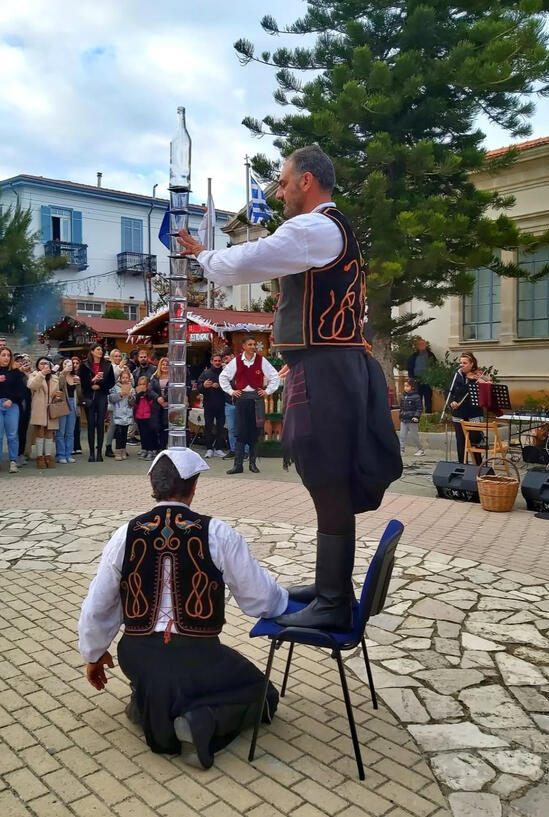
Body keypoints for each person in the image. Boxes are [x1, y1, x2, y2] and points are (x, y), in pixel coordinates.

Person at [177, 144, 402, 631]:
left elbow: (251, 260)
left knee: (326, 474)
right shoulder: (330, 230)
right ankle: (329, 590)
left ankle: (334, 601)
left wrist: (205, 257)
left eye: (283, 181)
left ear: (307, 181)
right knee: (326, 474)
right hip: (332, 364)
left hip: (327, 366)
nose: (278, 191)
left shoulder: (316, 227)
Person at [78, 448, 287, 768]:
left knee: (163, 677)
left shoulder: (125, 534)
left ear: (153, 484)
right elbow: (259, 599)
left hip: (137, 655)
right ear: (194, 487)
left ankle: (147, 703)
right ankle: (202, 720)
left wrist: (93, 654)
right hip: (198, 656)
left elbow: (98, 604)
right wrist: (285, 602)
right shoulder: (217, 533)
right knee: (263, 693)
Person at [219, 337, 279, 475]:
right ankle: (238, 465)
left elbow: (274, 376)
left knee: (255, 431)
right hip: (242, 399)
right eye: (250, 344)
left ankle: (252, 464)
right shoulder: (236, 361)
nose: (253, 347)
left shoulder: (261, 360)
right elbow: (223, 377)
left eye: (254, 344)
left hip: (256, 400)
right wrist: (231, 391)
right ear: (244, 347)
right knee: (240, 431)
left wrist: (267, 391)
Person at [0, 347, 25, 474]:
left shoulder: (16, 372)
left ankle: (13, 461)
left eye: (8, 355)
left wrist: (12, 400)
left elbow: (22, 391)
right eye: (3, 355)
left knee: (12, 435)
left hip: (12, 406)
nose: (6, 358)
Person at [448, 351, 488, 464]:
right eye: (461, 362)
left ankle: (478, 466)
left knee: (475, 440)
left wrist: (474, 380)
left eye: (465, 363)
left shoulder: (477, 376)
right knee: (460, 441)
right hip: (459, 412)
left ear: (472, 364)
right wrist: (452, 402)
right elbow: (449, 391)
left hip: (474, 412)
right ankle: (462, 465)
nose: (462, 365)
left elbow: (485, 389)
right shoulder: (456, 375)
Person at [79, 343, 115, 462]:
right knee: (90, 424)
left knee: (100, 423)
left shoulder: (107, 365)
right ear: (92, 351)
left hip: (102, 395)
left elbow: (111, 382)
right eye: (98, 349)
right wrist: (92, 382)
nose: (100, 351)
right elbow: (83, 383)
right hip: (89, 396)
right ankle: (91, 453)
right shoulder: (84, 365)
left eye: (101, 349)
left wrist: (99, 385)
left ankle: (99, 452)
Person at [27, 357, 63, 469]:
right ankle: (39, 456)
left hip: (51, 407)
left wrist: (58, 398)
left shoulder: (54, 377)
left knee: (49, 431)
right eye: (42, 364)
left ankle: (48, 455)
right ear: (38, 365)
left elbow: (58, 391)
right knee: (40, 430)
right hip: (39, 407)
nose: (44, 366)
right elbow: (32, 386)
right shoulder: (34, 375)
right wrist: (41, 374)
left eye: (46, 363)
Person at [197, 352, 226, 458]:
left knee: (220, 426)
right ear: (211, 361)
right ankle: (209, 448)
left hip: (222, 404)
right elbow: (199, 387)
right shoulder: (206, 373)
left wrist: (220, 386)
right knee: (208, 426)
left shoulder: (224, 373)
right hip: (209, 404)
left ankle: (218, 448)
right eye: (215, 361)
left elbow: (231, 386)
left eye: (219, 361)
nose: (217, 363)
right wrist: (204, 385)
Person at [55, 359, 81, 464]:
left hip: (73, 403)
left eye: (70, 364)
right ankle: (60, 454)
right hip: (62, 403)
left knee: (70, 432)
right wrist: (64, 373)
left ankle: (68, 453)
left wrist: (78, 385)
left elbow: (79, 394)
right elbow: (59, 387)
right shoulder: (59, 375)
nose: (69, 365)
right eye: (66, 364)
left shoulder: (75, 377)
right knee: (61, 431)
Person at [109, 368, 135, 461]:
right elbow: (111, 398)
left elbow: (133, 402)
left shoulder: (131, 388)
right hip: (118, 412)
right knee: (119, 433)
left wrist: (130, 397)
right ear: (120, 378)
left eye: (127, 377)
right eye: (123, 377)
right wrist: (120, 395)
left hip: (127, 414)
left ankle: (123, 449)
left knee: (124, 433)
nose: (125, 379)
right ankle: (118, 451)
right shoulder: (115, 387)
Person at [134, 375, 157, 459]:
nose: (142, 386)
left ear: (147, 385)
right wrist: (138, 395)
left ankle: (151, 450)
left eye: (143, 384)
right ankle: (144, 448)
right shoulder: (137, 394)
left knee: (149, 434)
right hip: (139, 416)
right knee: (142, 434)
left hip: (148, 416)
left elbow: (152, 402)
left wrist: (145, 394)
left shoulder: (150, 393)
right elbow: (135, 404)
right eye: (140, 384)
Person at [149, 358, 170, 451]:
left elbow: (175, 390)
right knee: (156, 426)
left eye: (167, 364)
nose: (165, 366)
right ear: (160, 366)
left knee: (165, 427)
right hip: (157, 405)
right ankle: (156, 447)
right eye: (163, 364)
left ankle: (163, 448)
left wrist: (165, 399)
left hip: (168, 405)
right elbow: (150, 390)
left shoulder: (174, 377)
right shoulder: (155, 377)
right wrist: (158, 398)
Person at [399, 379, 424, 456]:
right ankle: (401, 450)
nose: (405, 388)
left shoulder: (416, 397)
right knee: (402, 435)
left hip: (412, 419)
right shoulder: (403, 396)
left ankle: (421, 449)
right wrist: (401, 414)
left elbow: (419, 408)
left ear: (412, 387)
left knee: (414, 436)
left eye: (407, 386)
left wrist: (416, 416)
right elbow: (402, 407)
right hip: (404, 419)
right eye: (405, 386)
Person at [71, 355, 83, 454]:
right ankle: (70, 446)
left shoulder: (82, 375)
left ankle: (77, 445)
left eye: (77, 363)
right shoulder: (66, 374)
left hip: (78, 402)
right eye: (73, 363)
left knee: (77, 424)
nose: (75, 365)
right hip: (69, 401)